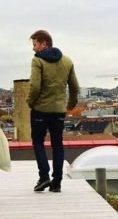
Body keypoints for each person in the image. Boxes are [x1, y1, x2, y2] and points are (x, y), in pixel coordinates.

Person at [27, 29, 79, 193]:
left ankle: (44, 177)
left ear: (44, 43)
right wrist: (70, 104)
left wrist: (30, 102)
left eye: (35, 44)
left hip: (40, 110)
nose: (33, 48)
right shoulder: (67, 61)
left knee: (38, 142)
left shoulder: (37, 61)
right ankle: (57, 183)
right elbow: (75, 87)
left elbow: (35, 86)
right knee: (57, 144)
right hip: (58, 111)